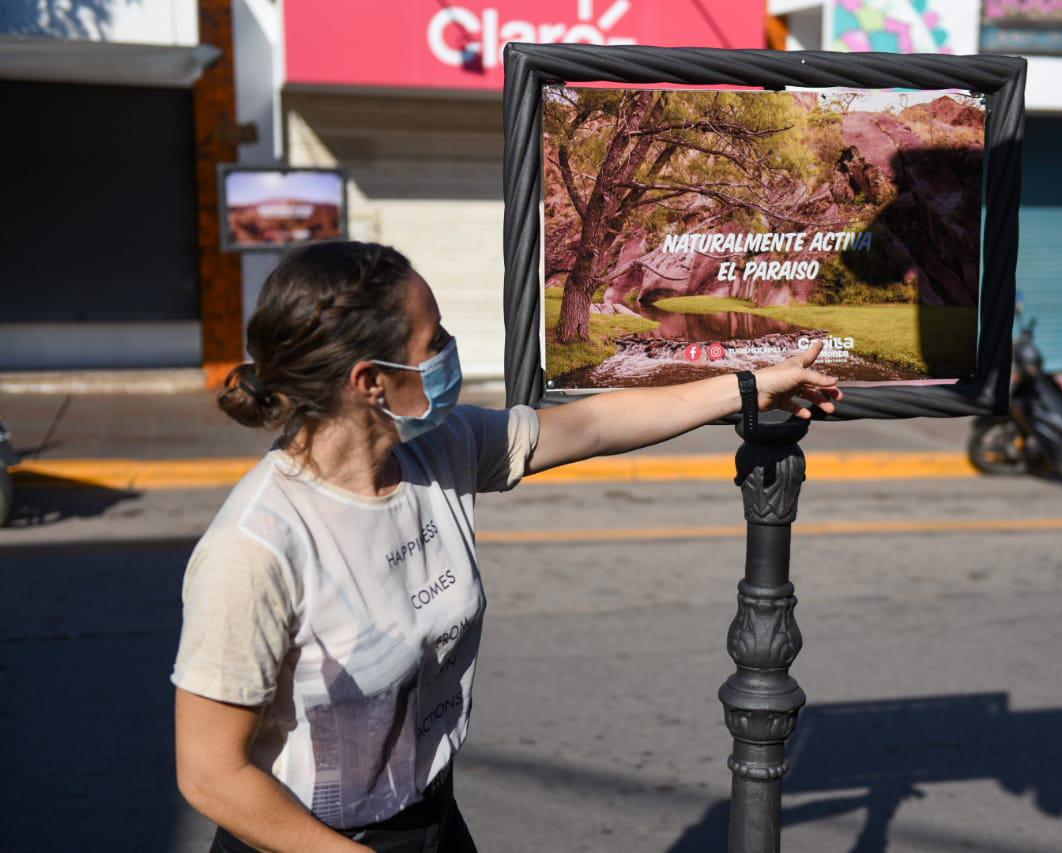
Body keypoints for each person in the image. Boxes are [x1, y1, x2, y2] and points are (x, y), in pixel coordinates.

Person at [172, 241, 841, 852]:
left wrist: (752, 383)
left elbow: (596, 422)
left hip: (431, 818)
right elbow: (211, 774)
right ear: (369, 381)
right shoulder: (256, 546)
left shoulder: (445, 447)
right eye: (434, 341)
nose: (451, 351)